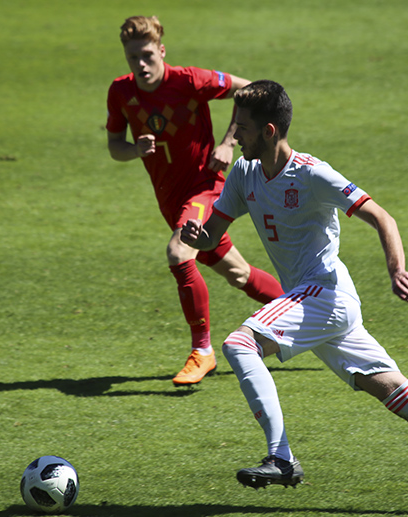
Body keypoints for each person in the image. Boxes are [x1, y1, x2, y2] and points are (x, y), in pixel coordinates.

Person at [181, 80, 408, 517]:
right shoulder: (245, 173)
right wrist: (198, 236)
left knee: (239, 343)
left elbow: (381, 216)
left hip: (326, 294)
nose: (235, 136)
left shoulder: (312, 174)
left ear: (269, 131)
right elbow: (213, 233)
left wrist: (396, 269)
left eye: (242, 128)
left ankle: (281, 457)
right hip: (311, 302)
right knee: (399, 395)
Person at [105, 16, 285, 386]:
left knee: (179, 252)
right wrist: (134, 150)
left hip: (205, 188)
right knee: (239, 274)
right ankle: (309, 313)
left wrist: (228, 142)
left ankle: (202, 351)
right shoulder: (121, 92)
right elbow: (114, 147)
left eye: (147, 55)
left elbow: (250, 89)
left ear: (162, 51)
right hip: (171, 201)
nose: (141, 64)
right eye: (133, 57)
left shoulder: (189, 81)